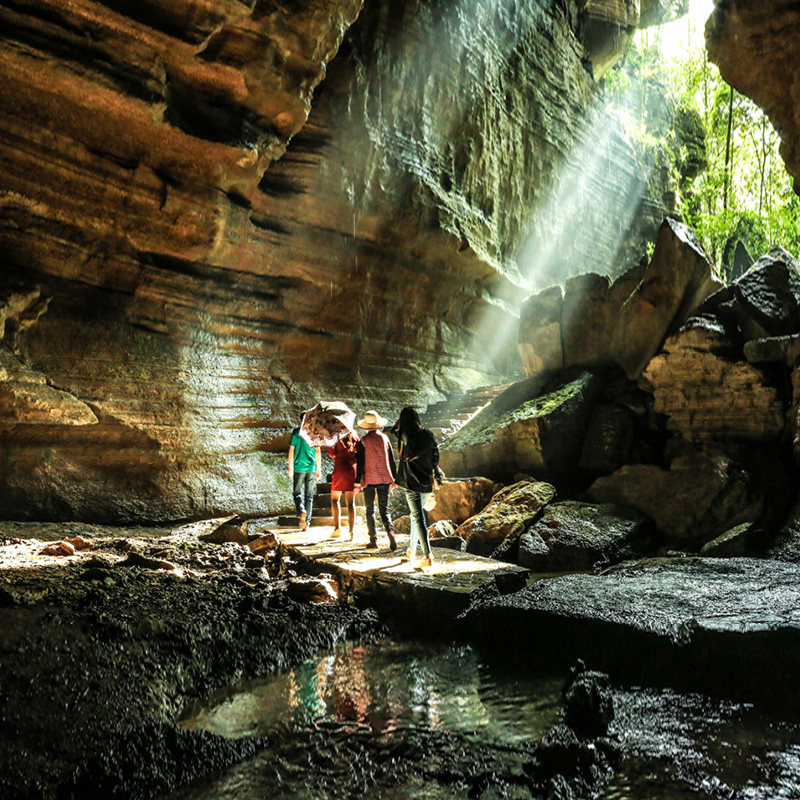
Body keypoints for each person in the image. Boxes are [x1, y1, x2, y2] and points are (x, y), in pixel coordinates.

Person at [394, 406, 443, 568]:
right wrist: (433, 471)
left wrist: (398, 426)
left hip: (411, 483)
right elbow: (435, 456)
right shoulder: (428, 434)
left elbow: (399, 453)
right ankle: (412, 550)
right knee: (416, 515)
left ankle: (428, 555)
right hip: (426, 481)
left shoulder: (404, 435)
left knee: (418, 517)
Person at [355, 410, 397, 551]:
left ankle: (373, 540)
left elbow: (360, 463)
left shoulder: (363, 441)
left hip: (370, 480)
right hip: (385, 478)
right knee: (384, 509)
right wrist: (395, 477)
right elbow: (391, 459)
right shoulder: (384, 438)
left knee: (370, 510)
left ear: (366, 426)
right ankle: (390, 531)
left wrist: (357, 482)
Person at [288, 418, 321, 531]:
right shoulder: (314, 433)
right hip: (311, 468)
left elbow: (291, 450)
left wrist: (290, 467)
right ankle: (307, 523)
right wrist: (318, 469)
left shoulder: (296, 432)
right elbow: (317, 451)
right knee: (309, 496)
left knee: (297, 493)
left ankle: (301, 510)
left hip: (299, 468)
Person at [328, 431, 359, 540]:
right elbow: (359, 453)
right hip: (351, 470)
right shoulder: (355, 435)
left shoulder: (336, 436)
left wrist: (329, 441)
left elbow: (332, 454)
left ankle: (337, 529)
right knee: (350, 503)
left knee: (335, 500)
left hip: (340, 469)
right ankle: (351, 531)